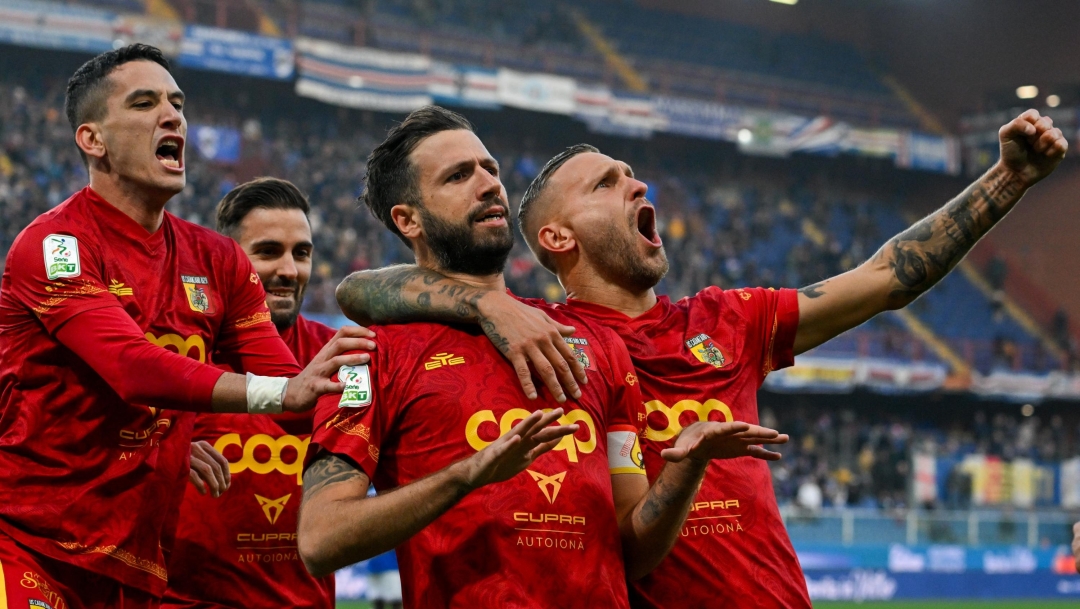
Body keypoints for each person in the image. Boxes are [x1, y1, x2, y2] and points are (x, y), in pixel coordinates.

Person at [334, 109, 1067, 608]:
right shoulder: (546, 343)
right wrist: (487, 303)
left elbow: (884, 279)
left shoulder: (727, 321)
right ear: (557, 239)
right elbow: (362, 289)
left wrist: (1006, 180)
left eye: (631, 175)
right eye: (607, 183)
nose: (639, 185)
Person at [296, 106, 788, 608]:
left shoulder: (596, 344)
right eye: (458, 176)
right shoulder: (368, 357)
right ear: (408, 219)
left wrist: (686, 470)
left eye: (490, 169)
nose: (489, 185)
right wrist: (467, 475)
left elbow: (632, 553)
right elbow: (321, 539)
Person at [0, 45, 368, 608]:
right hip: (32, 545)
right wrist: (276, 392)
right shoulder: (56, 246)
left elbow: (295, 404)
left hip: (139, 562)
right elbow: (129, 366)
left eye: (177, 103)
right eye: (144, 103)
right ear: (92, 140)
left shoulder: (218, 260)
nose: (172, 116)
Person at [162, 178, 340, 608]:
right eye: (267, 251)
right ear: (224, 260)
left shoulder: (336, 356)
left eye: (301, 253)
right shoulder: (179, 354)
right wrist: (161, 448)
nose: (288, 269)